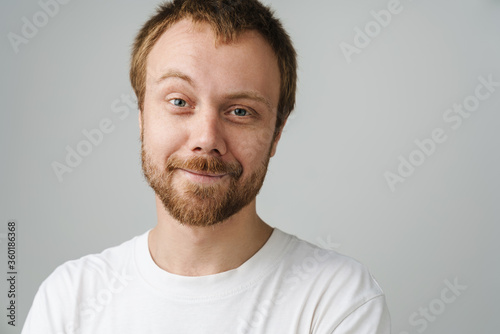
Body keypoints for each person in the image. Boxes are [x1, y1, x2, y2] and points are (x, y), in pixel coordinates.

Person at [22, 0, 391, 333]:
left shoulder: (338, 301)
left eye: (241, 111)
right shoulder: (68, 299)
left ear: (276, 133)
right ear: (141, 116)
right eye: (180, 101)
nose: (206, 138)